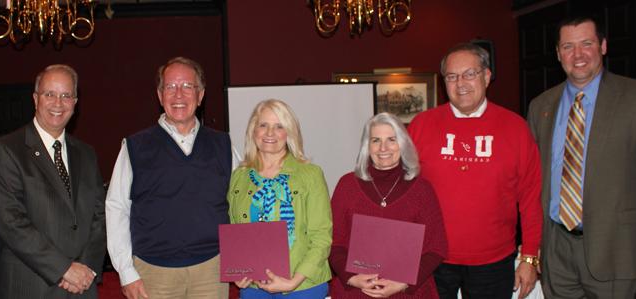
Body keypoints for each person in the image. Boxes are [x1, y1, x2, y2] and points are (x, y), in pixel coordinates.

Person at [527, 16, 636, 298]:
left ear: (603, 46)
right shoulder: (541, 106)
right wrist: (532, 244)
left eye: (587, 44)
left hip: (618, 249)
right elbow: (533, 182)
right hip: (557, 251)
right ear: (559, 53)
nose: (578, 55)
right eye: (568, 46)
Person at [407, 43, 542, 299]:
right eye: (452, 76)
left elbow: (530, 199)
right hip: (431, 259)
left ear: (487, 76)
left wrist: (530, 258)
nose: (461, 83)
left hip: (494, 262)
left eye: (470, 74)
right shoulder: (421, 125)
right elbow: (403, 191)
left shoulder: (516, 128)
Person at [106, 56, 239, 299]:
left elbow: (243, 204)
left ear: (200, 96)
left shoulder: (224, 145)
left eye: (187, 86)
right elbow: (116, 208)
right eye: (170, 86)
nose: (179, 94)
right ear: (160, 95)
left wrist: (246, 260)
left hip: (212, 270)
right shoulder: (135, 147)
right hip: (153, 273)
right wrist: (126, 272)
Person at [0, 64, 106, 298]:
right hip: (30, 286)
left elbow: (99, 215)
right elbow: (11, 222)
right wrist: (64, 269)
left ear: (75, 102)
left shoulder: (86, 153)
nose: (58, 103)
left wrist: (87, 267)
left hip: (81, 287)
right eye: (49, 94)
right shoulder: (6, 151)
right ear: (35, 98)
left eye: (66, 95)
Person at [329, 112, 447, 298]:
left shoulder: (422, 190)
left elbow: (436, 248)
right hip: (356, 291)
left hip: (409, 292)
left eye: (392, 139)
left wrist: (403, 283)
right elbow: (334, 242)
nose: (383, 147)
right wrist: (351, 278)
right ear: (367, 147)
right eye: (375, 140)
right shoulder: (347, 186)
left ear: (403, 144)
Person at [227, 99, 332, 298]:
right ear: (253, 131)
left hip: (303, 286)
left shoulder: (310, 175)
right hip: (253, 288)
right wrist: (239, 270)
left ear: (289, 133)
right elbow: (235, 231)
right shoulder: (239, 177)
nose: (269, 133)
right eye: (263, 125)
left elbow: (321, 237)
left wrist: (293, 281)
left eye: (279, 126)